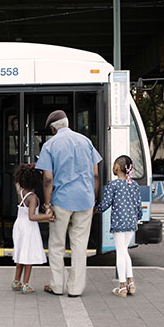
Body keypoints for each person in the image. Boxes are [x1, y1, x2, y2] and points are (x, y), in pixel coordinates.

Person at [35, 110, 102, 297]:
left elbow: (48, 179)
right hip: (85, 200)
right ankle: (75, 289)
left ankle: (57, 286)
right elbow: (95, 175)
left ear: (53, 129)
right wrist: (93, 199)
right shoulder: (86, 142)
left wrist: (47, 205)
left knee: (56, 244)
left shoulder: (49, 146)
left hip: (61, 201)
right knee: (80, 245)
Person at [95, 155, 142, 297]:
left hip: (119, 222)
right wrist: (137, 221)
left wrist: (95, 210)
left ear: (117, 167)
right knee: (124, 251)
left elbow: (106, 203)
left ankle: (122, 286)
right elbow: (138, 205)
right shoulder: (134, 185)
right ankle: (131, 283)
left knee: (120, 253)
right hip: (131, 222)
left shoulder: (113, 185)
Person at [12, 164, 54, 294]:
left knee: (20, 255)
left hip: (19, 225)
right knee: (28, 257)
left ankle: (16, 282)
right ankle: (26, 285)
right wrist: (47, 216)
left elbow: (17, 182)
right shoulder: (33, 198)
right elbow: (32, 217)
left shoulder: (20, 192)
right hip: (28, 228)